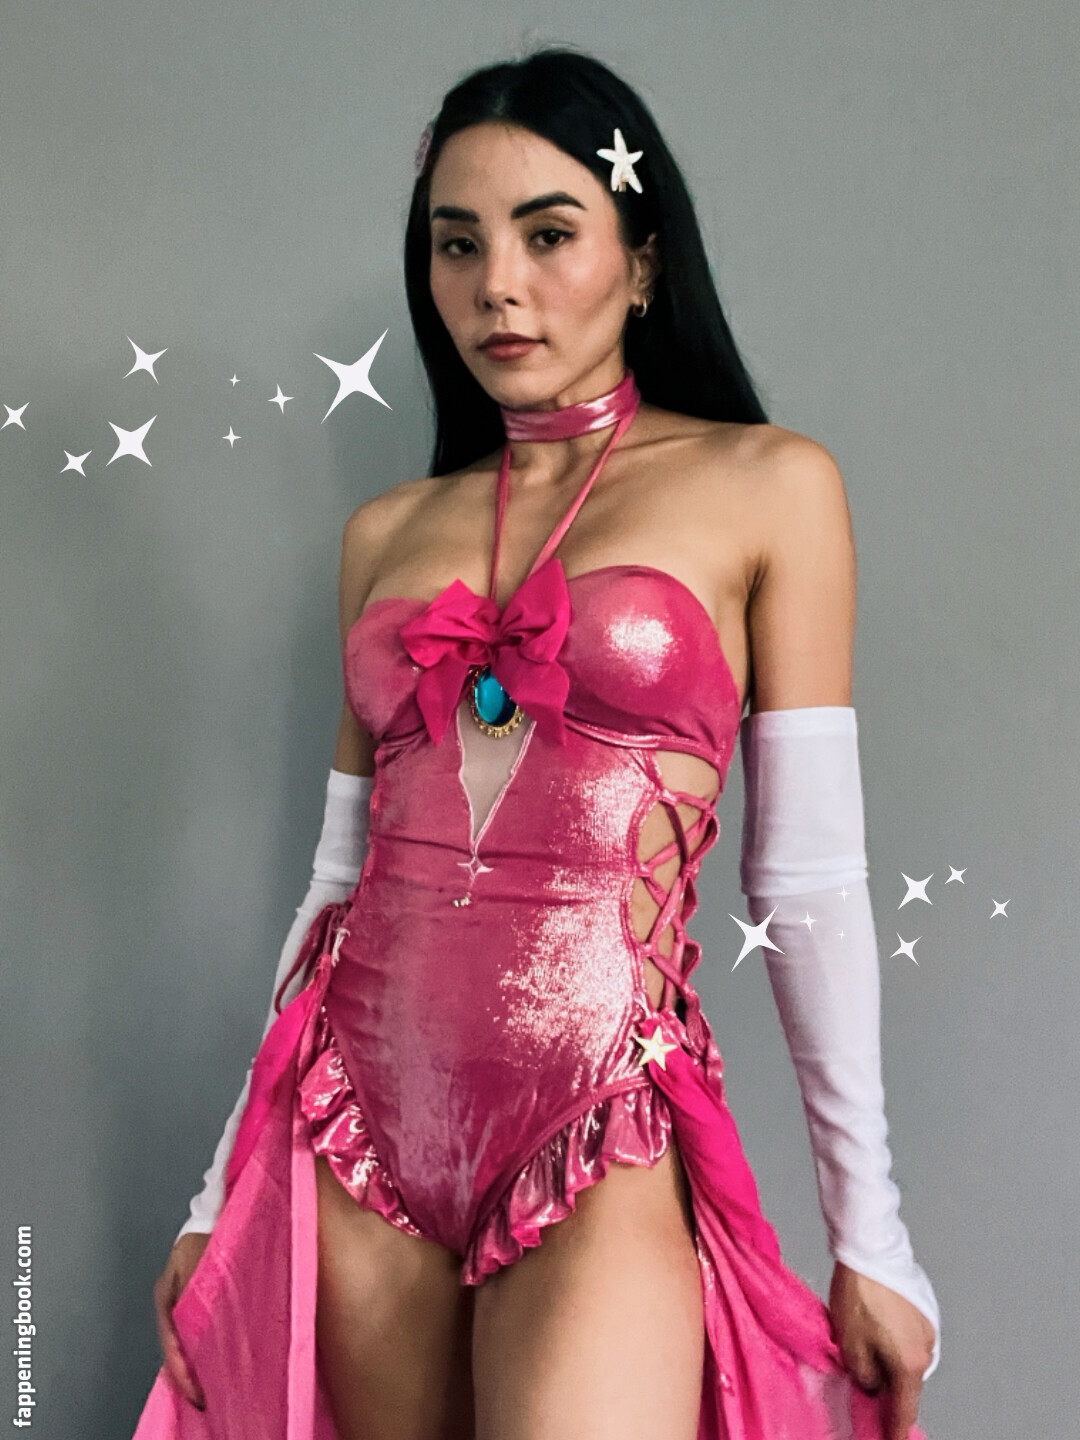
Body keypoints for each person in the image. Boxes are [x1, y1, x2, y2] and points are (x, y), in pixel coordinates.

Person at [132, 46, 940, 1440]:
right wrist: (218, 1196)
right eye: (458, 245)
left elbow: (806, 882)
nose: (496, 285)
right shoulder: (387, 533)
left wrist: (873, 1233)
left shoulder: (769, 486)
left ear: (643, 259)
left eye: (548, 234)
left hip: (598, 1114)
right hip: (355, 1121)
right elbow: (334, 883)